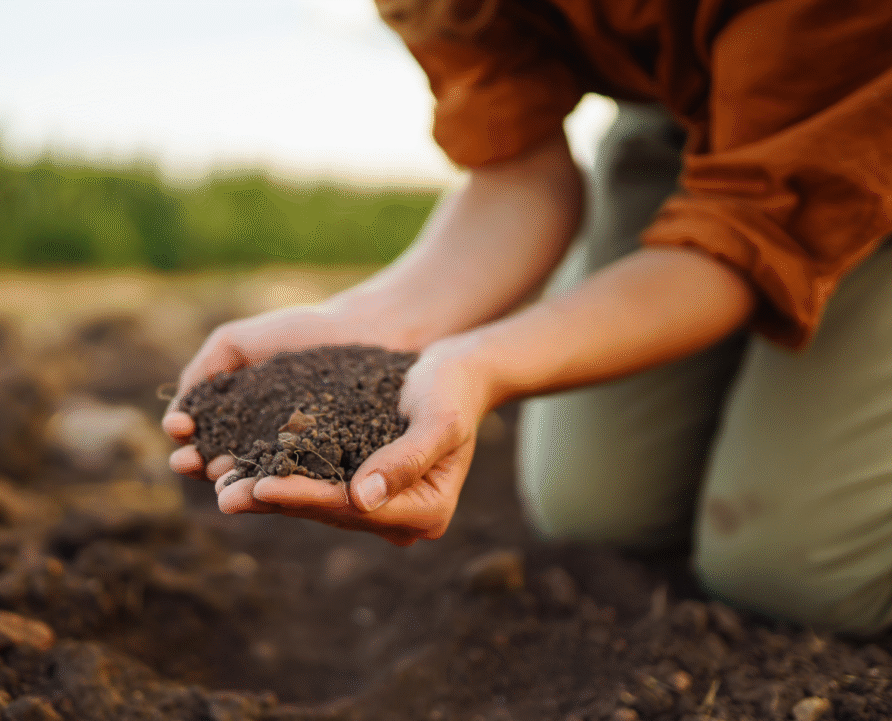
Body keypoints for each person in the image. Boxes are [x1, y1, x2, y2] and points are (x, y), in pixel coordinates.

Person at [163, 0, 892, 634]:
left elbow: (742, 233)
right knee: (596, 507)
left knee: (794, 569)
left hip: (864, 98)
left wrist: (484, 364)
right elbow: (519, 173)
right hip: (689, 106)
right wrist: (380, 324)